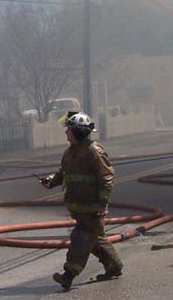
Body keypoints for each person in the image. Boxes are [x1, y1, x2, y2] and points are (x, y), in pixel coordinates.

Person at [39, 110, 122, 290]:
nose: (66, 133)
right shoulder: (70, 152)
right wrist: (51, 181)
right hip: (80, 208)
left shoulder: (94, 151)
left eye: (68, 130)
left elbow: (107, 177)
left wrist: (102, 203)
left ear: (77, 131)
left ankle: (68, 275)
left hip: (92, 208)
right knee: (95, 239)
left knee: (81, 238)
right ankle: (114, 266)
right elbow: (64, 172)